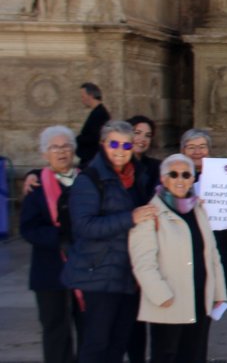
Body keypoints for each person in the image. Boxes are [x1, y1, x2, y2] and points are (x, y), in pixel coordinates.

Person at [62, 121, 156, 363]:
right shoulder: (90, 179)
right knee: (96, 344)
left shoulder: (137, 176)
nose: (120, 150)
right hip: (99, 273)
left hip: (127, 273)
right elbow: (84, 226)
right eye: (114, 143)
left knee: (118, 343)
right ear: (103, 144)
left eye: (126, 144)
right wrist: (130, 218)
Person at [129, 154, 227, 363]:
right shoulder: (151, 213)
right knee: (166, 355)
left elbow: (212, 254)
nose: (180, 179)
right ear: (164, 179)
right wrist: (161, 295)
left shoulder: (199, 210)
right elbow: (143, 262)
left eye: (186, 174)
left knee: (194, 355)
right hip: (169, 301)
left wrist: (219, 292)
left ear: (193, 179)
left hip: (199, 298)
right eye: (174, 174)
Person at [20, 126, 82, 363]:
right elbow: (29, 228)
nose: (61, 151)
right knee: (55, 328)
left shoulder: (85, 180)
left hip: (84, 265)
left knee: (87, 325)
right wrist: (60, 238)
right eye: (54, 147)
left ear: (73, 150)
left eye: (66, 145)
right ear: (45, 154)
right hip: (49, 269)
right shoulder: (36, 188)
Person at [180, 129, 227, 294]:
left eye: (202, 146)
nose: (197, 152)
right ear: (182, 151)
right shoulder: (175, 176)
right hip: (185, 248)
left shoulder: (223, 175)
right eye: (191, 147)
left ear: (209, 150)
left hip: (215, 246)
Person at [125, 114, 159, 363]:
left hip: (150, 246)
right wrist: (35, 172)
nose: (142, 139)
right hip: (123, 248)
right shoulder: (111, 168)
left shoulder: (155, 167)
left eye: (147, 135)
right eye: (137, 132)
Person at [76, 82, 111, 166]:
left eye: (83, 96)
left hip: (92, 159)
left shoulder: (99, 113)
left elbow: (94, 137)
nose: (82, 99)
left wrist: (78, 138)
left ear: (90, 95)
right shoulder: (98, 112)